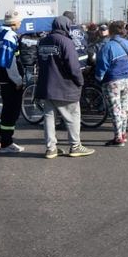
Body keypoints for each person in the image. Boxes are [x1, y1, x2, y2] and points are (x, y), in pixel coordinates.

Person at [37, 15, 95, 158]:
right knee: (73, 117)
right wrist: (80, 81)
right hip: (65, 87)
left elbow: (40, 62)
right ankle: (75, 146)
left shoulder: (43, 42)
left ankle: (51, 148)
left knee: (49, 118)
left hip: (46, 86)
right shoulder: (66, 42)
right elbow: (73, 66)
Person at [95, 20, 128, 147]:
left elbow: (102, 64)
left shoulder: (108, 46)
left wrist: (98, 77)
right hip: (127, 79)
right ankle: (123, 134)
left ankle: (118, 137)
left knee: (115, 110)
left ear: (110, 31)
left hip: (112, 80)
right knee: (124, 108)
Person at [0, 12, 26, 153]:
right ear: (13, 23)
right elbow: (10, 62)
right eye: (19, 22)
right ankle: (6, 143)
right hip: (10, 80)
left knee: (7, 110)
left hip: (2, 78)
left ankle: (2, 140)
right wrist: (18, 80)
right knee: (11, 112)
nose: (20, 24)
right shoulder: (10, 36)